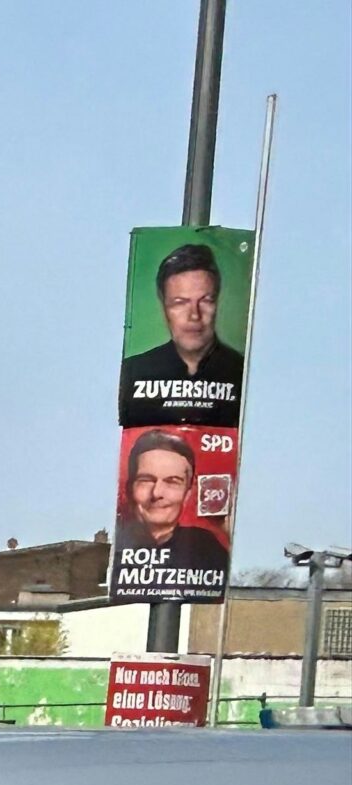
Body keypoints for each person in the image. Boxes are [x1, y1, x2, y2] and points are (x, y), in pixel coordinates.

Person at [118, 241, 245, 427]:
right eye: (180, 302)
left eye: (205, 301)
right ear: (164, 306)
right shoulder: (134, 373)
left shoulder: (243, 374)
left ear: (217, 302)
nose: (194, 315)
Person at [113, 431, 229, 585]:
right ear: (129, 488)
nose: (157, 493)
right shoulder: (115, 548)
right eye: (146, 480)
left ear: (188, 492)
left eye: (172, 482)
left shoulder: (205, 547)